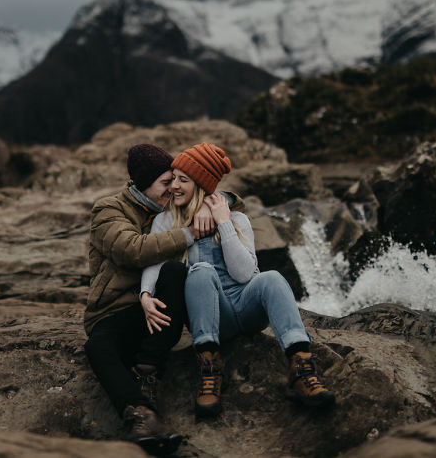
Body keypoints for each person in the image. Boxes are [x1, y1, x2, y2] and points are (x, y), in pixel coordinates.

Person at [140, 143, 335, 417]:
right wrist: (145, 294)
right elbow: (155, 261)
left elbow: (244, 274)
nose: (174, 186)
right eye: (173, 179)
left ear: (201, 185)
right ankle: (209, 369)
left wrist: (224, 223)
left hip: (247, 307)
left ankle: (301, 368)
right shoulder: (166, 221)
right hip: (212, 316)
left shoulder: (238, 219)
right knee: (201, 271)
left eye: (183, 180)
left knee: (272, 277)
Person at [84, 143, 219, 455]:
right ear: (144, 184)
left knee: (174, 272)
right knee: (97, 346)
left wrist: (211, 205)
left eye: (176, 180)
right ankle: (142, 415)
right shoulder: (109, 210)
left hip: (161, 309)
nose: (174, 188)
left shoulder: (175, 204)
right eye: (166, 182)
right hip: (116, 310)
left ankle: (147, 370)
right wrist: (189, 233)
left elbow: (226, 195)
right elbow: (130, 249)